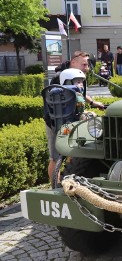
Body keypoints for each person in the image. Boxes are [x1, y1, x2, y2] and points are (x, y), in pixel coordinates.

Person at [45, 51, 105, 183]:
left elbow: (79, 96)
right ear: (73, 62)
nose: (87, 67)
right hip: (56, 121)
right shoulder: (60, 77)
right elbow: (60, 101)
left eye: (87, 64)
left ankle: (71, 178)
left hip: (72, 119)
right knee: (55, 157)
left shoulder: (78, 76)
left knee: (77, 151)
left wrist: (92, 103)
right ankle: (54, 186)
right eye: (84, 64)